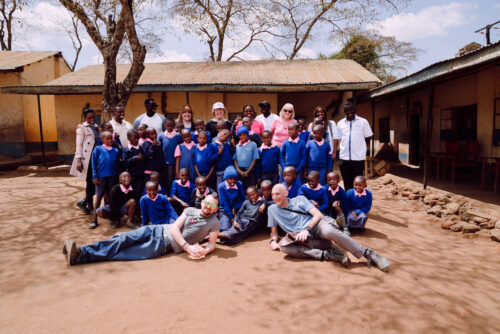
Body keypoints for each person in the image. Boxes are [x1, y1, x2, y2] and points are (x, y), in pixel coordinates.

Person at [62, 193, 220, 265]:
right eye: (207, 202)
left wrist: (202, 251)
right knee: (121, 239)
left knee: (123, 254)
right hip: (156, 230)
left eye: (212, 205)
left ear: (215, 209)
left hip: (162, 246)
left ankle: (79, 257)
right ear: (203, 201)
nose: (208, 206)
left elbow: (212, 244)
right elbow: (175, 229)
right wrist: (187, 247)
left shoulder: (214, 222)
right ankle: (81, 252)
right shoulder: (190, 210)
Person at [267, 184, 390, 271]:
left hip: (317, 225)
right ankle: (329, 254)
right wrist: (273, 241)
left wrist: (306, 230)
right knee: (284, 248)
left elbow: (318, 215)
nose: (274, 197)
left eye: (277, 194)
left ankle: (369, 254)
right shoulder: (272, 209)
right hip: (308, 241)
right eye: (272, 195)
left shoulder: (300, 199)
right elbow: (274, 232)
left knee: (329, 231)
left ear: (286, 193)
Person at [336, 102, 373, 191]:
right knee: (346, 181)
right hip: (344, 158)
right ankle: (348, 200)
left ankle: (357, 201)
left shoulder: (363, 122)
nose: (349, 112)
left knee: (357, 182)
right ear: (344, 112)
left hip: (358, 158)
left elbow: (368, 137)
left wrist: (363, 149)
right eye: (347, 110)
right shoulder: (340, 123)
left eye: (351, 109)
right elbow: (338, 138)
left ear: (354, 109)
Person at [70, 106, 99, 215]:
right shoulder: (81, 128)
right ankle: (90, 205)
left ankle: (83, 201)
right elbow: (79, 145)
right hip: (87, 159)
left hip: (96, 158)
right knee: (90, 183)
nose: (92, 119)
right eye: (89, 118)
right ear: (85, 118)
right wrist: (78, 160)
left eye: (94, 117)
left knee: (97, 182)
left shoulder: (96, 127)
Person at [90, 131, 121, 229]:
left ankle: (110, 217)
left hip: (112, 177)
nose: (109, 140)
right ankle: (94, 218)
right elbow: (93, 164)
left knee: (110, 198)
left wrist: (119, 177)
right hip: (101, 177)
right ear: (102, 139)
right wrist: (95, 176)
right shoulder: (98, 149)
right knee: (98, 197)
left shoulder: (115, 151)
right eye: (107, 139)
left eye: (111, 138)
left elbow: (118, 166)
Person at [217, 166, 245, 232]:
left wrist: (235, 208)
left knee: (240, 226)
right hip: (225, 210)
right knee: (225, 229)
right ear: (226, 179)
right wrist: (231, 217)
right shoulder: (221, 187)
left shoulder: (239, 184)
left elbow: (242, 198)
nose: (233, 181)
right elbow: (224, 203)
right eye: (230, 179)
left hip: (237, 208)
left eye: (235, 179)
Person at [158, 118, 181, 195]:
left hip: (176, 162)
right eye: (168, 126)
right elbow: (159, 148)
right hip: (165, 162)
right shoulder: (161, 136)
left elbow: (180, 147)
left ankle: (174, 195)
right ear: (165, 126)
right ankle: (167, 195)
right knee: (166, 180)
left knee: (174, 180)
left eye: (171, 126)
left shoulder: (178, 136)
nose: (169, 127)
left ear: (174, 126)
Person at [233, 126, 259, 191]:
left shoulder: (253, 144)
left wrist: (248, 171)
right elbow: (235, 160)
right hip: (240, 172)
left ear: (247, 135)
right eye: (240, 135)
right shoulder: (237, 146)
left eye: (244, 134)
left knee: (250, 189)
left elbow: (254, 159)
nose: (243, 136)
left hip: (250, 171)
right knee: (240, 189)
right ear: (238, 136)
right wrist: (238, 170)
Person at [122, 129, 145, 200]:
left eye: (138, 137)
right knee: (130, 192)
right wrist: (136, 158)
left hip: (140, 175)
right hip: (131, 176)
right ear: (129, 139)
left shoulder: (141, 148)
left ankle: (137, 209)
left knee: (139, 192)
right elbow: (125, 163)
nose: (137, 139)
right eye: (134, 138)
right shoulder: (127, 149)